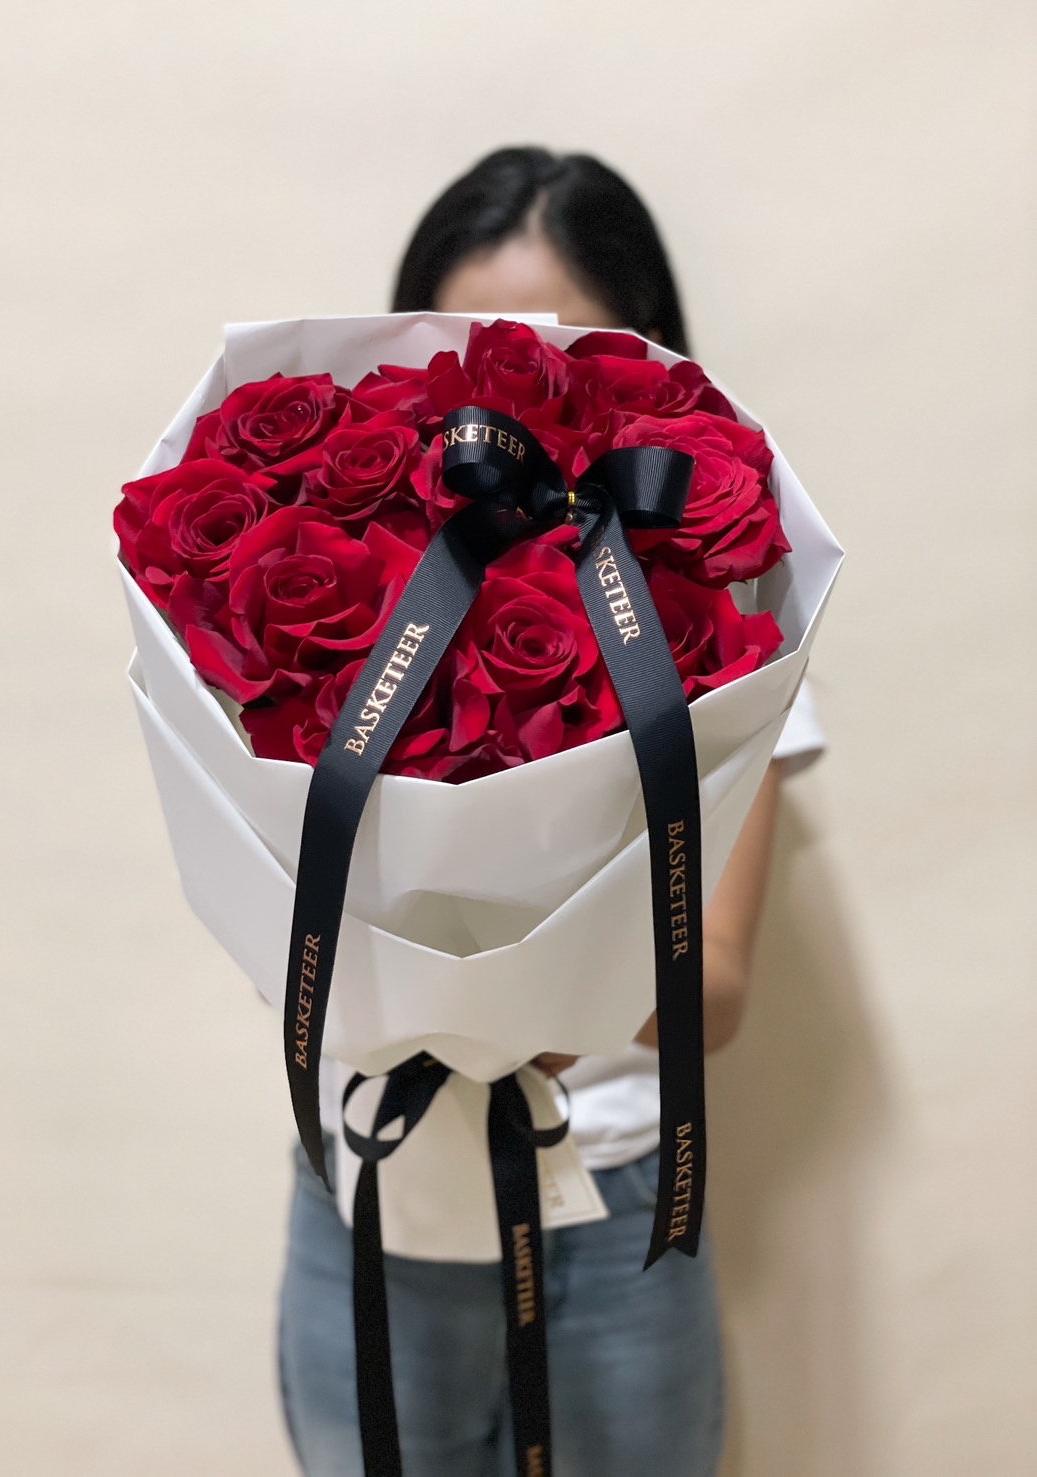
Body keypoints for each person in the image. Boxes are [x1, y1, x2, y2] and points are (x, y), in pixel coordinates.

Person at [277, 146, 824, 1477]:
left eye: (564, 354)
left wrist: (540, 992)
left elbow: (721, 985)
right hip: (373, 1190)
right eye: (471, 353)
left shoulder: (728, 622)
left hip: (617, 1199)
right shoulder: (328, 602)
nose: (514, 400)